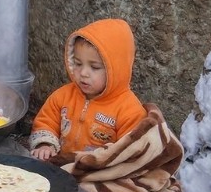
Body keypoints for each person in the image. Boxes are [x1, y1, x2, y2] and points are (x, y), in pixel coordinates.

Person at [29, 18, 148, 160]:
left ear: (116, 70)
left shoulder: (130, 111)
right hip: (61, 165)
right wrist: (45, 144)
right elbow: (46, 122)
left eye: (94, 67)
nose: (84, 73)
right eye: (78, 64)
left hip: (101, 169)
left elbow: (130, 151)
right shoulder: (63, 96)